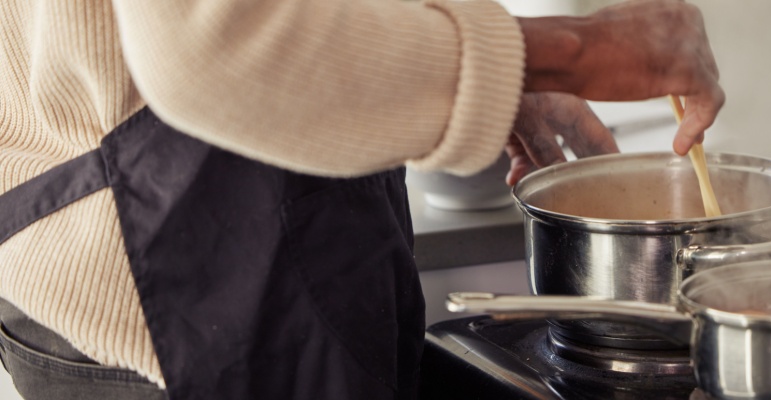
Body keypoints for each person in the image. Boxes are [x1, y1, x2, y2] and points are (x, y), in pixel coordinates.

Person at [0, 0, 723, 399]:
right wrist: (578, 47)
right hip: (177, 305)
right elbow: (213, 43)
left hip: (92, 259)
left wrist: (474, 74)